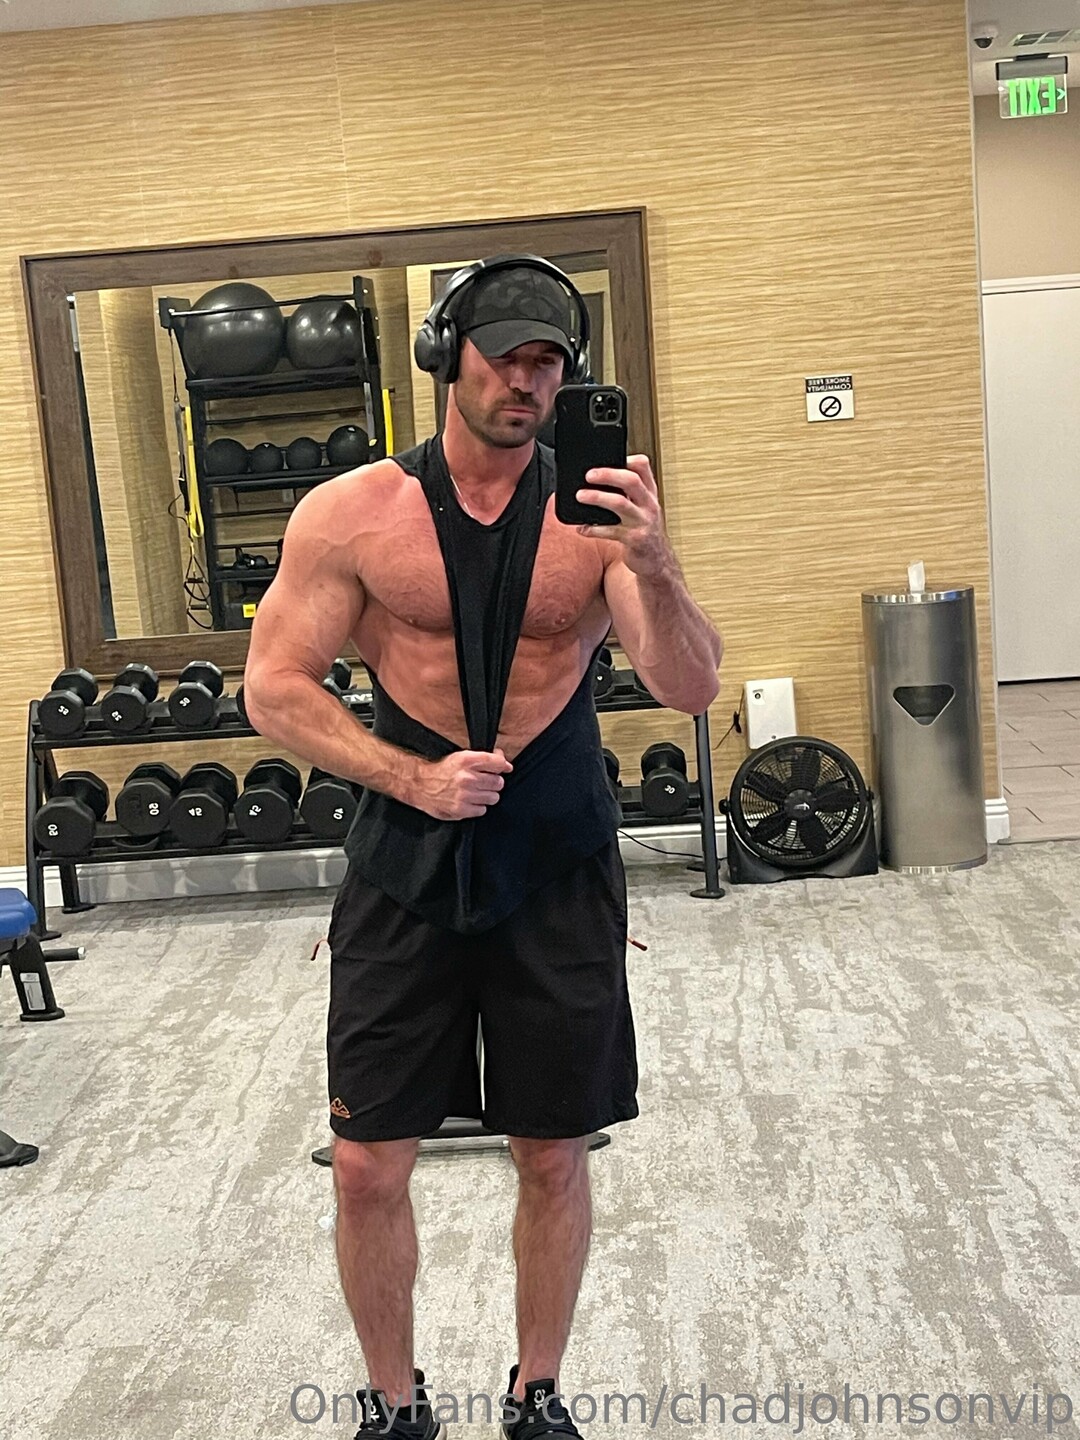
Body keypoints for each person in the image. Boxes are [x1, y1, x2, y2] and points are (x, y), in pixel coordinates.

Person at [243, 255, 722, 1440]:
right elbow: (275, 687)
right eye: (506, 354)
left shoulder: (597, 516)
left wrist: (653, 560)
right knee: (368, 1161)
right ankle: (395, 1404)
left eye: (548, 362)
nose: (527, 380)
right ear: (444, 355)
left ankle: (535, 1392)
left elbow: (690, 685)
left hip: (556, 859)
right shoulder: (351, 514)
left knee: (553, 1153)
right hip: (404, 860)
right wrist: (412, 777)